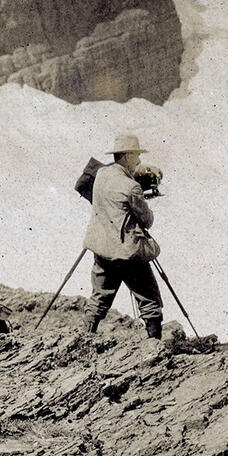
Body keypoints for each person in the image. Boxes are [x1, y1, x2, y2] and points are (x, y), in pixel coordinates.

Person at [83, 134, 164, 338]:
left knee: (99, 298)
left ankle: (85, 338)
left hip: (102, 249)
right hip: (128, 254)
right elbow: (146, 220)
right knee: (149, 300)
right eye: (136, 156)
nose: (138, 161)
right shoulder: (132, 187)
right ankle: (155, 345)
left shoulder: (101, 174)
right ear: (127, 156)